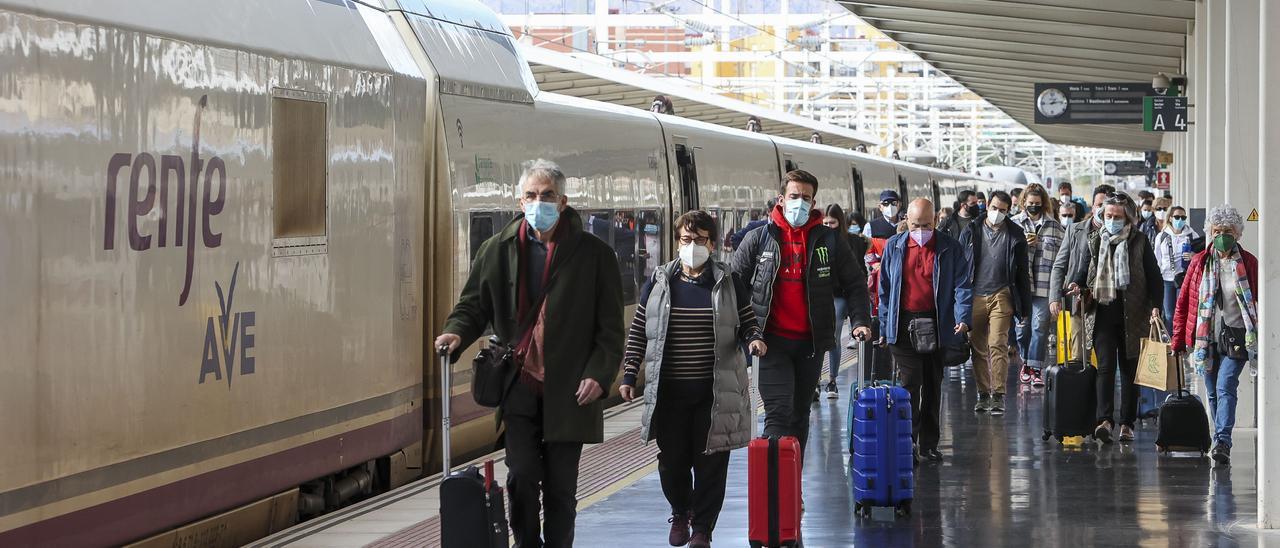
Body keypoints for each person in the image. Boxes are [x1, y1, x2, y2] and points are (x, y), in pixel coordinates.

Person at [435, 160, 625, 548]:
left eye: (548, 196)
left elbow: (610, 330)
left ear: (564, 201)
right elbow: (473, 304)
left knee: (560, 490)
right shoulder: (497, 249)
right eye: (532, 196)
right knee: (520, 477)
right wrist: (456, 333)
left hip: (570, 389)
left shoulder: (595, 255)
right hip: (519, 384)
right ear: (520, 202)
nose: (540, 203)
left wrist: (598, 374)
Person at [620, 210, 766, 548]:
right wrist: (630, 372)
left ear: (712, 244)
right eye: (686, 240)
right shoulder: (658, 283)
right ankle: (680, 509)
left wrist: (754, 339)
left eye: (699, 240)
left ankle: (703, 529)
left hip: (714, 395)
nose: (692, 246)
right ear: (677, 242)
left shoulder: (729, 283)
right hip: (669, 394)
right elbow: (640, 331)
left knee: (711, 463)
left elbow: (747, 322)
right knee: (672, 463)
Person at [732, 170, 872, 465]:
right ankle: (773, 485)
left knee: (799, 414)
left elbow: (856, 283)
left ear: (813, 201)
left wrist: (860, 321)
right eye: (794, 196)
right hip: (770, 342)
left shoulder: (829, 241)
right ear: (781, 199)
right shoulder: (758, 239)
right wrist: (748, 333)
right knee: (778, 413)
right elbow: (735, 288)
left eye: (805, 198)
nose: (799, 203)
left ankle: (791, 483)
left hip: (811, 343)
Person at [878, 198, 972, 463]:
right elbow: (884, 289)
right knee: (910, 383)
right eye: (916, 225)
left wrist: (963, 318)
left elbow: (962, 286)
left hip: (937, 324)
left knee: (933, 384)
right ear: (906, 220)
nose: (921, 231)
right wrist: (884, 325)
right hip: (903, 323)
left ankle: (929, 444)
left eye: (927, 225)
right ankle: (907, 441)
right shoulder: (894, 247)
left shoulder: (949, 248)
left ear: (935, 222)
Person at [1067, 193, 1162, 444]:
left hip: (1134, 314)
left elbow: (1154, 276)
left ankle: (1127, 423)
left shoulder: (1140, 241)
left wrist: (1156, 306)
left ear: (1128, 217)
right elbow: (1081, 270)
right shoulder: (1096, 240)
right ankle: (1104, 420)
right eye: (1108, 216)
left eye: (1117, 217)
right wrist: (1076, 285)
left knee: (1130, 371)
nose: (1112, 220)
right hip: (1102, 312)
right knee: (1106, 367)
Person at [1172, 205, 1258, 465]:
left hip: (1239, 335)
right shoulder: (1199, 262)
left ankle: (1222, 440)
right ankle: (1218, 433)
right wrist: (1177, 340)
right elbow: (1184, 301)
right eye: (1217, 231)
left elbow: (1260, 297)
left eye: (1228, 231)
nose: (1222, 236)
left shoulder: (1249, 263)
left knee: (1226, 385)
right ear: (1209, 232)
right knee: (1211, 391)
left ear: (1238, 234)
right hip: (1206, 336)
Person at [959, 191, 1031, 415]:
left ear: (1009, 211)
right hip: (975, 295)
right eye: (994, 208)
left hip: (1003, 293)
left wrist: (1025, 308)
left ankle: (998, 394)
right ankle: (983, 394)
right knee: (977, 347)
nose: (997, 213)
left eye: (1003, 210)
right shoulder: (971, 230)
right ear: (987, 206)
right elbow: (961, 266)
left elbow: (1022, 274)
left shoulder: (1016, 235)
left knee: (997, 343)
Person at [1011, 184, 1064, 387]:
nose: (1033, 206)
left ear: (1043, 204)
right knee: (1022, 329)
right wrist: (1023, 246)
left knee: (1039, 327)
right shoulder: (1014, 224)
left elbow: (1061, 260)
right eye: (1030, 203)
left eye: (1037, 204)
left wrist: (1058, 290)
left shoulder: (1055, 227)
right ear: (1024, 202)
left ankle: (1035, 368)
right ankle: (1026, 362)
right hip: (1020, 286)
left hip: (1044, 285)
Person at [819, 204, 857, 398]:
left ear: (840, 222)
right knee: (815, 337)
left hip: (839, 295)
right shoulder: (816, 240)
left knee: (833, 335)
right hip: (819, 294)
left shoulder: (849, 242)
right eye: (824, 222)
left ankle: (832, 380)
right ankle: (815, 381)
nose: (827, 226)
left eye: (831, 222)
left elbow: (856, 276)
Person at [1153, 205, 1205, 326]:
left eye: (1183, 217)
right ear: (1170, 218)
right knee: (1169, 314)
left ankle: (1181, 342)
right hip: (1167, 279)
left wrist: (1193, 256)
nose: (1180, 220)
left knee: (1182, 311)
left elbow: (1201, 254)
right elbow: (1157, 258)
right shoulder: (1162, 236)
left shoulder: (1192, 235)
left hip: (1184, 278)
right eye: (1177, 217)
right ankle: (1171, 341)